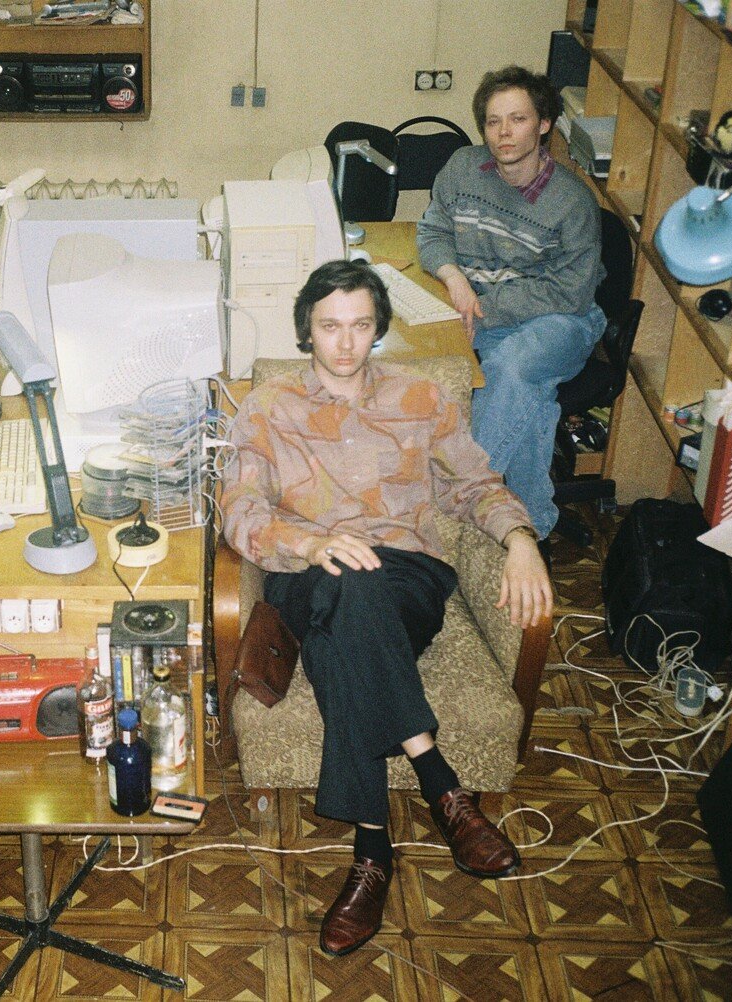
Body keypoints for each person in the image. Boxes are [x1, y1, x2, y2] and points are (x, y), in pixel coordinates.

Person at [221, 260, 552, 957]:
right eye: (330, 326)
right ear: (306, 331)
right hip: (307, 572)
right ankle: (441, 788)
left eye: (360, 325)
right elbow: (240, 512)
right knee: (347, 586)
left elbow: (474, 484)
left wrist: (521, 539)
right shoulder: (269, 406)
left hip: (407, 577)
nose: (345, 343)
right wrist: (312, 544)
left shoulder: (422, 397)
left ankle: (374, 856)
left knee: (358, 602)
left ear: (378, 329)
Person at [417, 65, 605, 540]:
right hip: (479, 307)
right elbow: (432, 231)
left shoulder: (572, 202)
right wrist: (454, 278)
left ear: (544, 125)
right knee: (528, 398)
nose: (503, 132)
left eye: (518, 119)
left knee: (510, 369)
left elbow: (571, 291)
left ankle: (456, 503)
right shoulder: (463, 167)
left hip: (561, 318)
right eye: (493, 121)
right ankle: (529, 526)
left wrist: (484, 307)